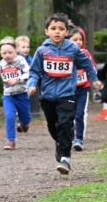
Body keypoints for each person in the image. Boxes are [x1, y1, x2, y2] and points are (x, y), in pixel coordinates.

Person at [27, 13, 99, 175]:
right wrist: (31, 85)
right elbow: (34, 72)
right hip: (47, 96)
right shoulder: (42, 51)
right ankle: (60, 144)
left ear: (67, 32)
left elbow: (87, 64)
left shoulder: (72, 49)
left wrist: (94, 79)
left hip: (67, 94)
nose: (57, 32)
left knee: (65, 123)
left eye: (61, 29)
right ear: (47, 31)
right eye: (53, 29)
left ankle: (65, 158)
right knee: (53, 126)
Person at [0, 37, 32, 150]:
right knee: (9, 116)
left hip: (22, 94)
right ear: (0, 53)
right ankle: (10, 141)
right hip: (8, 96)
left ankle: (24, 124)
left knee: (26, 118)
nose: (7, 55)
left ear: (15, 51)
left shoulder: (20, 60)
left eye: (10, 52)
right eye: (4, 53)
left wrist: (18, 79)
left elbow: (29, 73)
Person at [68, 27, 98, 151]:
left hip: (83, 89)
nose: (78, 42)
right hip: (68, 90)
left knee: (80, 114)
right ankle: (69, 136)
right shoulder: (65, 54)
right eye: (75, 40)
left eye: (80, 39)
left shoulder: (85, 53)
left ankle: (79, 139)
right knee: (69, 115)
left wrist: (94, 80)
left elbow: (92, 67)